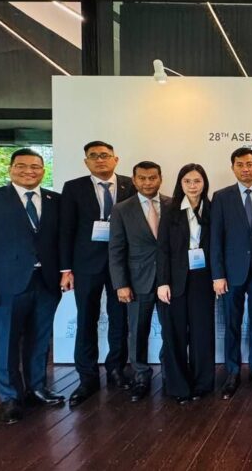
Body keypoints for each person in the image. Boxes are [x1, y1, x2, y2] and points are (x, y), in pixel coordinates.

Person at [0, 148, 64, 424]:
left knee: (40, 338)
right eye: (21, 166)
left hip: (46, 282)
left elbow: (61, 240)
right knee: (5, 341)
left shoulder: (54, 200)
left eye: (35, 166)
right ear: (10, 169)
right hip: (5, 285)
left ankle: (37, 387)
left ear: (43, 170)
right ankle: (10, 397)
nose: (29, 171)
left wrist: (65, 271)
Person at [59, 141, 136, 407]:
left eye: (105, 155)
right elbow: (66, 230)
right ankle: (87, 377)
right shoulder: (74, 188)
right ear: (86, 162)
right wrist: (66, 269)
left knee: (120, 319)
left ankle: (116, 369)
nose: (100, 160)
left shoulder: (130, 185)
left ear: (116, 159)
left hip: (122, 264)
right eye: (94, 156)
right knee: (86, 319)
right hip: (86, 264)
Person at [210, 147, 252, 399]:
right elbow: (215, 238)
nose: (245, 169)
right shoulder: (221, 197)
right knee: (232, 324)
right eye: (239, 164)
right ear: (233, 168)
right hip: (231, 274)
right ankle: (232, 372)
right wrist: (218, 274)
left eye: (249, 164)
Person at [109, 161, 169, 403]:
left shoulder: (173, 204)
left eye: (152, 177)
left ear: (160, 178)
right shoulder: (122, 209)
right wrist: (120, 284)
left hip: (168, 281)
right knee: (138, 331)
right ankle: (141, 374)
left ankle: (170, 373)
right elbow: (116, 249)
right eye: (142, 178)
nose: (147, 182)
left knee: (171, 329)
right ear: (134, 180)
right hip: (136, 281)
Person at [156, 164, 214, 404]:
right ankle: (178, 385)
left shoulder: (212, 209)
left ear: (204, 183)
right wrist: (162, 282)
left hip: (203, 279)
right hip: (175, 280)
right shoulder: (170, 210)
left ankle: (202, 384)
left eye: (197, 181)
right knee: (175, 333)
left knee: (202, 334)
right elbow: (162, 249)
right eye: (187, 181)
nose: (192, 185)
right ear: (180, 183)